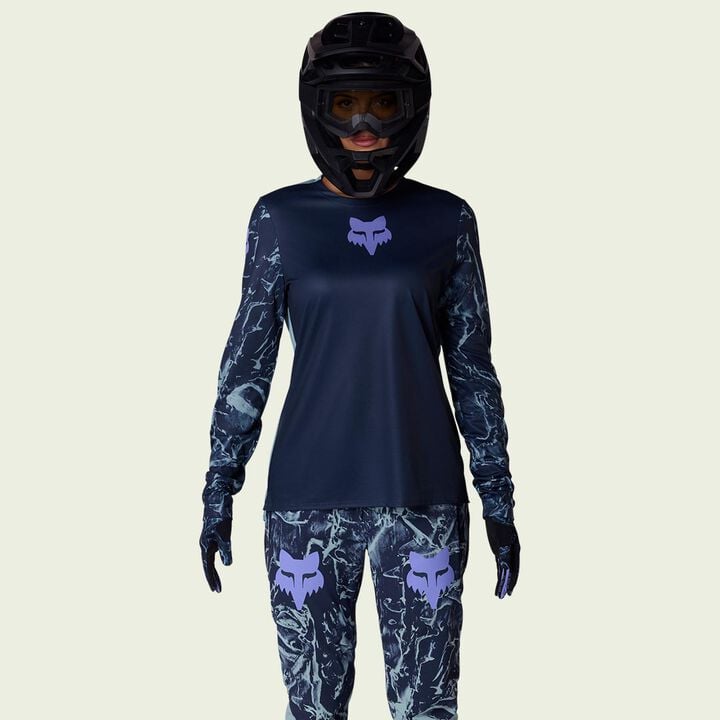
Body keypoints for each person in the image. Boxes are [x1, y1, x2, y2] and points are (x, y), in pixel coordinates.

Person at [200, 11, 521, 720]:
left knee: (427, 707)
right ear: (318, 108)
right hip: (305, 505)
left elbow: (473, 369)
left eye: (382, 103)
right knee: (313, 709)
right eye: (345, 104)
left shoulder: (448, 220)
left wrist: (497, 498)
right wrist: (219, 487)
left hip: (422, 500)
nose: (364, 126)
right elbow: (248, 358)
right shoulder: (278, 219)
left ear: (412, 106)